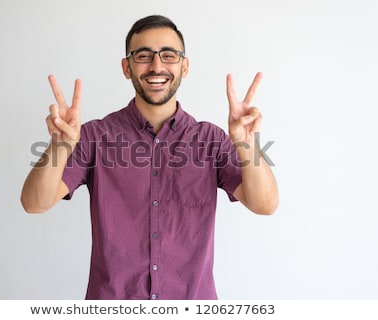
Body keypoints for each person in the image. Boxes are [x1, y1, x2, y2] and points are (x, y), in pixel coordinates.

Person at [21, 15, 278, 300]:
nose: (157, 66)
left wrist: (246, 144)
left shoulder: (211, 140)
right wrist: (60, 145)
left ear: (185, 66)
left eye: (168, 55)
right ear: (126, 67)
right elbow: (34, 203)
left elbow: (265, 205)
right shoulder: (94, 136)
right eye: (143, 55)